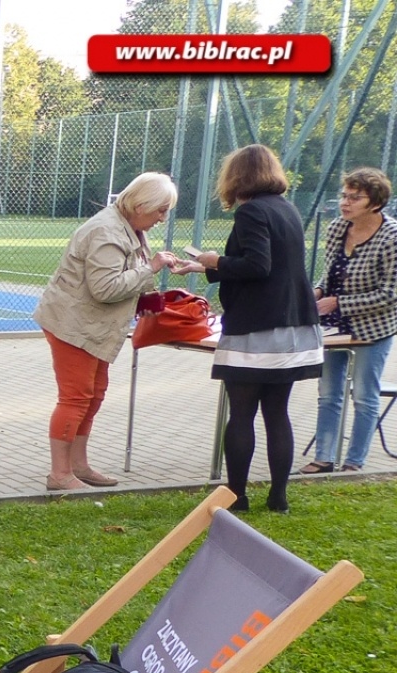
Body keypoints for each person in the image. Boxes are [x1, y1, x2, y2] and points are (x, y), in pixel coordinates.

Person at [177, 145, 322, 513]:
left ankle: (237, 496)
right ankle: (278, 498)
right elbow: (269, 265)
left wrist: (215, 260)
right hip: (293, 327)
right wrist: (204, 268)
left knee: (241, 413)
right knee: (277, 412)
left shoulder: (251, 211)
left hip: (257, 329)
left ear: (236, 176)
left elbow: (258, 266)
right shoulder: (286, 209)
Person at [33, 172, 182, 491]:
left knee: (94, 393)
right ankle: (60, 475)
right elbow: (105, 288)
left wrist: (150, 288)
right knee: (76, 397)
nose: (162, 218)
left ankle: (78, 465)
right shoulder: (106, 231)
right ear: (141, 204)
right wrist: (151, 268)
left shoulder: (128, 225)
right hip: (73, 325)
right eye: (160, 210)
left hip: (92, 326)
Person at [299, 166, 397, 475]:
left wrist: (341, 302)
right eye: (344, 195)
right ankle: (323, 458)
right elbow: (328, 276)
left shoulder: (392, 236)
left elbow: (391, 293)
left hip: (373, 329)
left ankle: (354, 463)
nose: (345, 202)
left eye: (355, 197)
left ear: (376, 202)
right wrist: (314, 294)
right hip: (332, 328)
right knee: (328, 393)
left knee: (364, 396)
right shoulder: (337, 228)